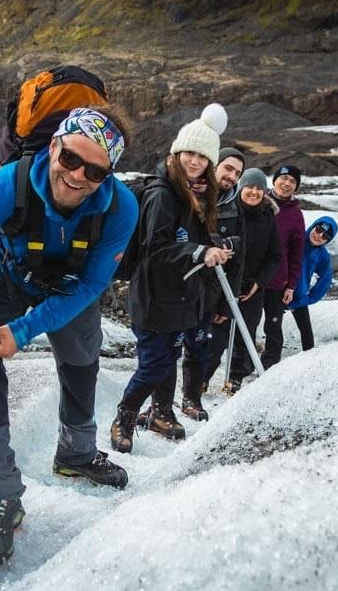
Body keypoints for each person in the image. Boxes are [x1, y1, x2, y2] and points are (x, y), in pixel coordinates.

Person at [0, 107, 138, 569]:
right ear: (55, 146)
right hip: (4, 272)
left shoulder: (121, 208)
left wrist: (25, 329)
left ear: (108, 174)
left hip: (72, 286)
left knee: (81, 358)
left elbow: (95, 285)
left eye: (95, 171)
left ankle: (76, 453)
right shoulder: (6, 187)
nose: (78, 177)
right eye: (72, 159)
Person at [110, 103, 232, 453]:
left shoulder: (192, 194)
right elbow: (156, 247)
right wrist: (198, 253)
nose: (195, 162)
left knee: (170, 355)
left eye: (202, 157)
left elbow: (186, 237)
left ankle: (162, 413)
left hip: (178, 293)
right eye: (189, 153)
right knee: (155, 363)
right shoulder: (163, 195)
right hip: (154, 294)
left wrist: (214, 244)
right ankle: (126, 416)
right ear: (177, 152)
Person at [180, 146, 246, 421]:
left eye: (237, 173)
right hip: (177, 285)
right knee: (164, 348)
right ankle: (158, 405)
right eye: (228, 168)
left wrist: (225, 304)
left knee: (198, 347)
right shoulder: (187, 195)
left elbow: (236, 260)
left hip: (208, 291)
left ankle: (191, 398)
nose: (231, 176)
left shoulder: (233, 208)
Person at [204, 168, 281, 395]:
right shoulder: (229, 212)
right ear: (241, 187)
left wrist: (259, 283)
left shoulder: (268, 217)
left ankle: (236, 376)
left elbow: (274, 255)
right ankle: (202, 376)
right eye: (250, 187)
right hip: (224, 285)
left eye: (259, 188)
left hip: (252, 287)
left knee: (245, 333)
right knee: (216, 334)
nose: (254, 192)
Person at [260, 163, 305, 369]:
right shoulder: (258, 200)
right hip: (252, 276)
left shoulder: (296, 214)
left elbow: (297, 252)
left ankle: (269, 367)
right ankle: (241, 366)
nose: (286, 184)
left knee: (274, 326)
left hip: (278, 280)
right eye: (283, 178)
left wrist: (291, 285)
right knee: (246, 323)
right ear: (275, 179)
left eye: (292, 181)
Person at [288, 217, 338, 351]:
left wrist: (308, 298)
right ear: (313, 226)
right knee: (272, 328)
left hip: (298, 297)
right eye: (318, 230)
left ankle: (308, 362)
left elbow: (325, 280)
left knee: (306, 331)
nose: (319, 236)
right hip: (276, 290)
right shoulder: (294, 239)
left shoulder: (322, 255)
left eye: (325, 236)